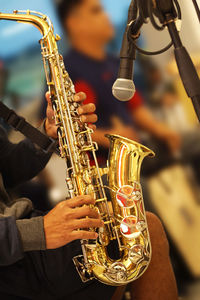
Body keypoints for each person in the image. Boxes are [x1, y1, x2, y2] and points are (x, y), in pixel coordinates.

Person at [0, 90, 178, 300]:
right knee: (144, 229)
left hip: (19, 239)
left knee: (113, 239)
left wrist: (49, 133)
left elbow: (8, 169)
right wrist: (39, 230)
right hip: (12, 261)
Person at [40, 0, 181, 161]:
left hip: (135, 152)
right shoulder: (66, 72)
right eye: (96, 11)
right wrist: (110, 137)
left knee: (193, 142)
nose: (107, 16)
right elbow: (53, 126)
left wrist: (161, 130)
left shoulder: (114, 63)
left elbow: (135, 108)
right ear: (75, 23)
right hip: (103, 167)